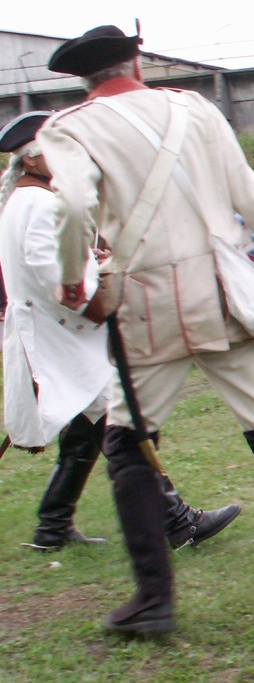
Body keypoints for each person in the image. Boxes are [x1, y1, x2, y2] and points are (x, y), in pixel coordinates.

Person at [41, 25, 254, 634]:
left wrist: (73, 282)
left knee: (126, 445)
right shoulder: (191, 108)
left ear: (81, 78)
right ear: (136, 61)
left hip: (148, 303)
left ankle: (153, 602)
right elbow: (253, 195)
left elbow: (69, 209)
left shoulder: (69, 129)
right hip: (224, 292)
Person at [1, 110, 241, 554]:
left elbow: (51, 263)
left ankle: (52, 527)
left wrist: (91, 256)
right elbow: (49, 273)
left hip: (59, 338)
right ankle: (177, 520)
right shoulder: (38, 204)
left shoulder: (24, 200)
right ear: (33, 160)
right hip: (62, 338)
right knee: (120, 427)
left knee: (89, 429)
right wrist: (102, 288)